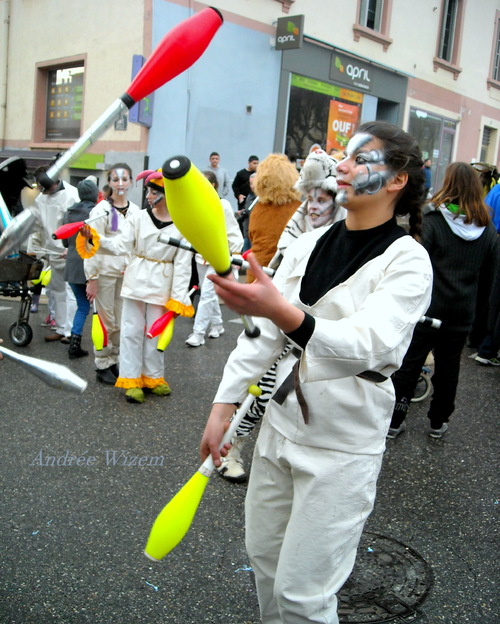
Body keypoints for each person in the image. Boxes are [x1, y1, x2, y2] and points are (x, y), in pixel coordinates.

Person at [200, 121, 433, 623]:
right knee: (265, 564)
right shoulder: (310, 243)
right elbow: (262, 336)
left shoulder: (409, 261)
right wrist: (223, 406)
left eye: (359, 158)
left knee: (304, 595)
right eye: (342, 157)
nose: (341, 167)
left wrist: (281, 310)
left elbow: (369, 344)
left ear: (397, 181)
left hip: (342, 448)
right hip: (278, 431)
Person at [217, 148, 346, 482]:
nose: (315, 206)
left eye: (323, 199)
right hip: (279, 319)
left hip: (320, 334)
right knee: (261, 389)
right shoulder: (292, 222)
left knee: (303, 400)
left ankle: (294, 463)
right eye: (311, 198)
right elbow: (277, 264)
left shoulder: (344, 234)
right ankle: (233, 448)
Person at [388, 162, 498, 440]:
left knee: (410, 363)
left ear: (447, 183)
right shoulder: (487, 229)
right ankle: (438, 421)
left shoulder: (432, 220)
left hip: (428, 308)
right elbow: (489, 278)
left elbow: (415, 265)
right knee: (450, 368)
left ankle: (395, 419)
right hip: (462, 311)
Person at [79, 168, 194, 403]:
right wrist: (94, 239)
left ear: (166, 195)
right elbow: (120, 245)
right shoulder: (138, 217)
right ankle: (131, 379)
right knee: (131, 331)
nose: (148, 197)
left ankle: (153, 377)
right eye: (148, 192)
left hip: (162, 284)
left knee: (155, 333)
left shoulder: (182, 225)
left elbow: (183, 266)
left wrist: (178, 298)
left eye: (153, 192)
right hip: (136, 280)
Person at [83, 163, 140, 384]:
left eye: (124, 179)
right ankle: (102, 363)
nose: (120, 184)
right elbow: (90, 245)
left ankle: (115, 360)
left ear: (131, 181)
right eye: (116, 180)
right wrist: (92, 278)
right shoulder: (100, 210)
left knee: (121, 320)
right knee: (105, 320)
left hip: (125, 275)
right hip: (105, 273)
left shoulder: (135, 211)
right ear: (109, 182)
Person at [185, 170, 243, 348]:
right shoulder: (194, 205)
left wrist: (236, 255)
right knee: (208, 294)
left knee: (207, 295)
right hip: (200, 257)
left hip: (220, 258)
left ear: (214, 186)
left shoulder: (222, 204)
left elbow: (234, 232)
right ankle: (217, 324)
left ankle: (198, 333)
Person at [28, 168, 79, 343]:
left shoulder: (72, 195)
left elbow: (78, 223)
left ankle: (71, 332)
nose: (43, 190)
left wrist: (71, 246)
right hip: (53, 252)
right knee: (57, 291)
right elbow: (37, 226)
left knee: (70, 292)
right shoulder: (40, 199)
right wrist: (35, 248)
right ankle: (60, 327)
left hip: (69, 251)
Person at [245, 153, 302, 282]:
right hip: (283, 272)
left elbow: (252, 236)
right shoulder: (299, 209)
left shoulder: (258, 208)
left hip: (256, 269)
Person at [62, 178, 99, 359]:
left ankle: (74, 341)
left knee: (81, 305)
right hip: (89, 265)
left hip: (71, 265)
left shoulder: (68, 213)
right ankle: (93, 345)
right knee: (94, 307)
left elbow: (64, 240)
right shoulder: (96, 213)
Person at [236, 172, 257, 252]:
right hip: (246, 232)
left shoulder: (261, 197)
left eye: (254, 183)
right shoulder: (250, 195)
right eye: (250, 183)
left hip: (254, 234)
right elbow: (246, 208)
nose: (252, 186)